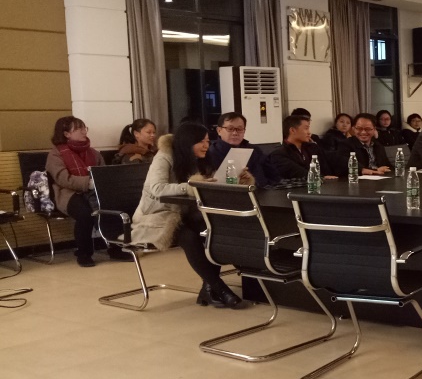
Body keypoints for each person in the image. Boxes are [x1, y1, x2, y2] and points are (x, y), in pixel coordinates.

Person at [131, 123, 248, 309]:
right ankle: (220, 288)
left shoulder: (200, 158)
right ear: (187, 142)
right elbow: (157, 189)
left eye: (207, 141)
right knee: (188, 236)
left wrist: (232, 179)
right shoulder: (164, 157)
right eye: (201, 142)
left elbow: (209, 183)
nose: (206, 146)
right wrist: (192, 186)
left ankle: (208, 289)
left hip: (186, 212)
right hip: (157, 216)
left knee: (213, 229)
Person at [45, 116, 104, 267]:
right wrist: (88, 183)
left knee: (110, 208)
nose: (84, 131)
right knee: (85, 214)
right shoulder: (56, 154)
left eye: (84, 128)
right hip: (67, 193)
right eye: (78, 129)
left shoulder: (93, 153)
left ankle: (116, 248)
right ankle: (84, 253)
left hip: (94, 190)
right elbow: (63, 179)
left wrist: (96, 184)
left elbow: (103, 172)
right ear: (67, 134)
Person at [206, 112, 279, 187]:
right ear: (219, 131)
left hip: (259, 192)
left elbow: (275, 179)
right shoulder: (209, 154)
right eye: (230, 129)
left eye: (239, 129)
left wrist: (253, 181)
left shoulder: (255, 151)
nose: (235, 133)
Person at [269, 115, 329, 180]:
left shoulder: (312, 148)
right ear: (292, 130)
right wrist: (321, 178)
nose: (309, 132)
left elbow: (325, 170)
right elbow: (298, 173)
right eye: (306, 128)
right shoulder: (279, 153)